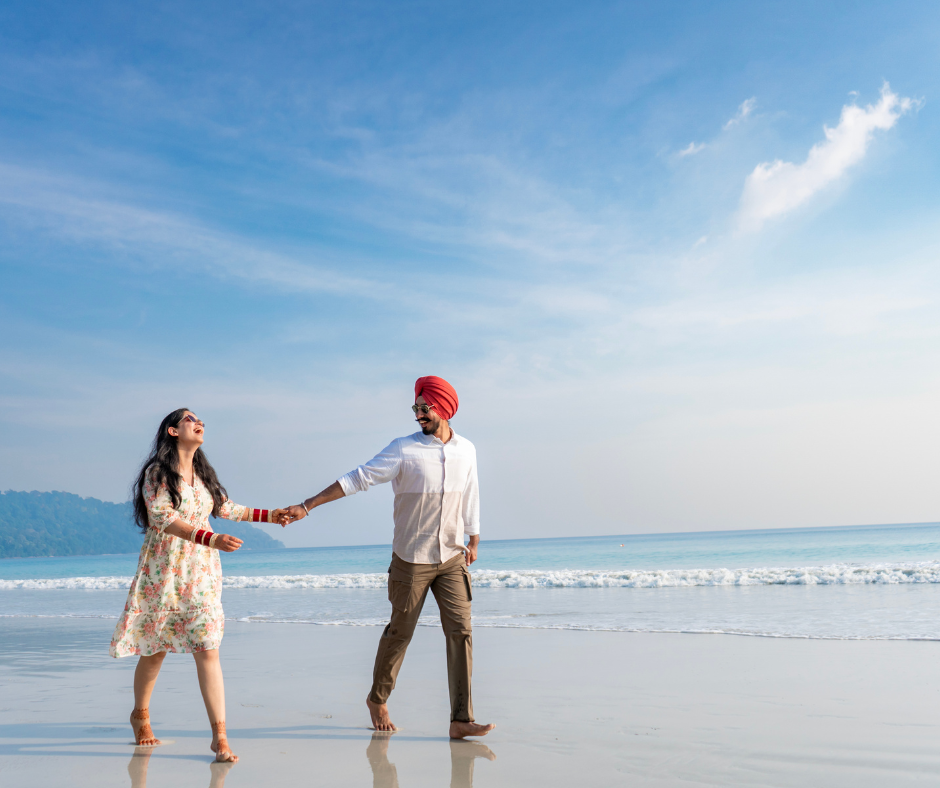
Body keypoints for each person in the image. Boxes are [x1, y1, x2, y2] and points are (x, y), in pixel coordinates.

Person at [281, 376, 495, 739]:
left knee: (461, 632)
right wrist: (307, 505)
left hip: (452, 557)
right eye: (415, 408)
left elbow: (471, 491)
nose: (418, 415)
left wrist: (474, 537)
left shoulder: (467, 450)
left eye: (423, 408)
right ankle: (377, 698)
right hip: (411, 558)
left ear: (443, 408)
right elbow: (359, 477)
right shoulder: (403, 449)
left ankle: (461, 719)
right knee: (400, 632)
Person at [110, 408, 286, 762]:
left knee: (208, 647)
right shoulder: (157, 473)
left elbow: (225, 507)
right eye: (190, 419)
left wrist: (272, 515)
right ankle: (140, 715)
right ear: (173, 431)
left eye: (200, 418)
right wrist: (209, 538)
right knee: (155, 648)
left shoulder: (203, 474)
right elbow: (163, 517)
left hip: (202, 571)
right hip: (166, 569)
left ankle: (220, 737)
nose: (198, 421)